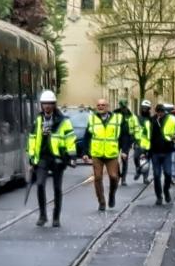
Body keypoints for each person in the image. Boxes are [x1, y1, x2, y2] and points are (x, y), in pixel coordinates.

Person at [27, 89, 77, 227]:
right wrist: (31, 158)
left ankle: (56, 217)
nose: (47, 106)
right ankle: (43, 215)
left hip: (57, 158)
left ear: (54, 105)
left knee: (57, 188)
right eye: (44, 104)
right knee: (40, 184)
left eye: (50, 104)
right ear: (41, 105)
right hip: (42, 158)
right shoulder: (38, 120)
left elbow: (70, 139)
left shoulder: (63, 122)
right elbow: (32, 139)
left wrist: (71, 156)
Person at [83, 98, 122, 212]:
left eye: (103, 105)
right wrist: (85, 153)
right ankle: (102, 202)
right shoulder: (92, 119)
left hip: (111, 154)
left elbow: (124, 135)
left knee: (114, 177)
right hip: (97, 154)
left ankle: (112, 195)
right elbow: (87, 136)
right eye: (98, 105)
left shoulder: (116, 119)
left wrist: (124, 149)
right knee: (98, 177)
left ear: (108, 107)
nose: (100, 107)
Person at [148, 102, 175, 205]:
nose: (160, 113)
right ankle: (159, 196)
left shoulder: (171, 119)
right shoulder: (151, 120)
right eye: (159, 112)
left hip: (167, 151)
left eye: (162, 111)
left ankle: (166, 190)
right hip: (155, 152)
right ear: (156, 112)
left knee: (168, 174)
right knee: (156, 175)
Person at [117, 100, 139, 185]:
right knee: (114, 159)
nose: (123, 109)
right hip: (116, 139)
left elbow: (136, 129)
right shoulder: (115, 115)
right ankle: (119, 174)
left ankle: (124, 179)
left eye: (125, 107)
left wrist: (135, 140)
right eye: (122, 107)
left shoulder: (132, 116)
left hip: (127, 139)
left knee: (124, 159)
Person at [133, 99, 153, 185]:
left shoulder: (151, 119)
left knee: (146, 162)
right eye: (143, 108)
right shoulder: (136, 118)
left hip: (148, 144)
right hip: (138, 143)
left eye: (146, 108)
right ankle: (138, 169)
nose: (144, 109)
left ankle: (145, 178)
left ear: (149, 109)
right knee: (136, 158)